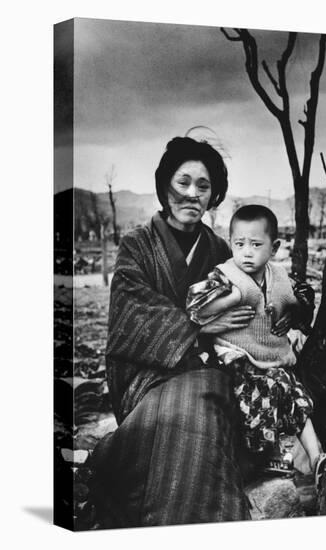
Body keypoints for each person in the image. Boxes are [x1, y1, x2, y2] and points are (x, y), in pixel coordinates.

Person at [91, 136, 255, 527]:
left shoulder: (218, 251)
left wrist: (291, 310)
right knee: (198, 404)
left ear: (213, 195)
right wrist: (200, 322)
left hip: (205, 371)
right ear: (165, 185)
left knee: (205, 397)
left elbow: (255, 291)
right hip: (145, 376)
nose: (191, 194)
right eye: (183, 182)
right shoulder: (137, 245)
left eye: (204, 186)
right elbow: (131, 312)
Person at [186, 205, 323, 477]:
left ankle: (317, 456)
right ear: (231, 244)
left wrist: (296, 314)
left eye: (256, 244)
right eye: (239, 244)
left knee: (295, 393)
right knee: (264, 391)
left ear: (274, 248)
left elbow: (300, 305)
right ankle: (265, 456)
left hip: (270, 356)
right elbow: (195, 309)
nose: (247, 251)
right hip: (235, 356)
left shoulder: (280, 276)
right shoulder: (225, 275)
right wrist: (234, 297)